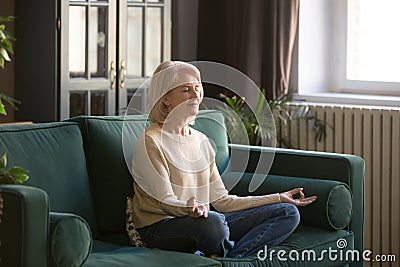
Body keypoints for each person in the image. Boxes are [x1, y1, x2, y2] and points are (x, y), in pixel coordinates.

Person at [130, 61, 317, 258]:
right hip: (160, 226)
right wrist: (188, 207)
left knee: (287, 212)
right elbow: (164, 201)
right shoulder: (150, 141)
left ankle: (232, 260)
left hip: (202, 221)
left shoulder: (202, 141)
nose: (196, 96)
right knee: (214, 223)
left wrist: (278, 197)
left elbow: (222, 201)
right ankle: (224, 252)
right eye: (186, 90)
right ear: (165, 98)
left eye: (197, 88)